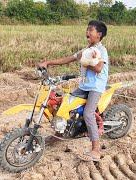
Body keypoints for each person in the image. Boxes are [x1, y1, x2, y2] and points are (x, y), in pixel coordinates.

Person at [38, 20, 108, 162]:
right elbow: (69, 59)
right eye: (87, 29)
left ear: (99, 34)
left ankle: (96, 148)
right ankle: (60, 133)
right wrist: (48, 63)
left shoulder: (100, 51)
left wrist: (87, 63)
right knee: (64, 104)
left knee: (88, 113)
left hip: (95, 87)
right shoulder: (85, 50)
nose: (87, 32)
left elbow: (99, 68)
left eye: (91, 30)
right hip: (84, 86)